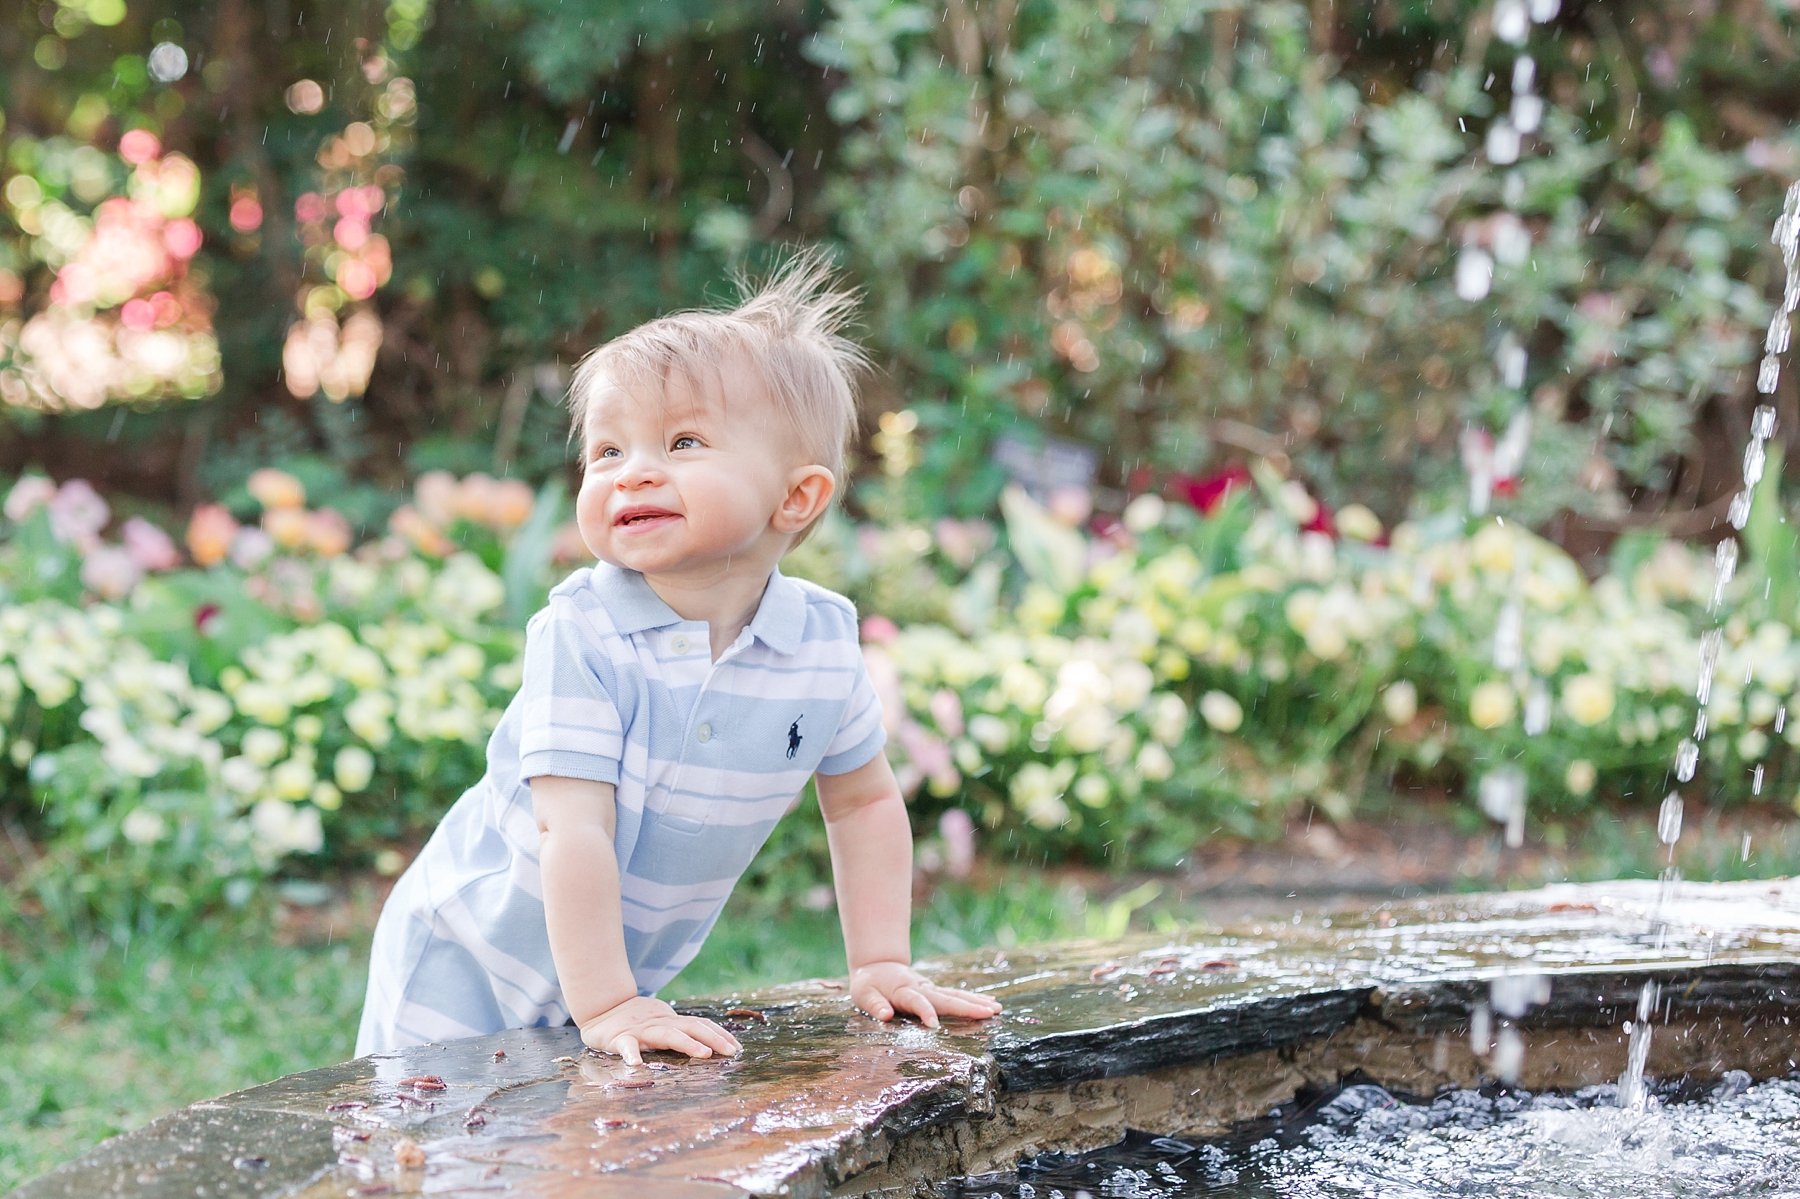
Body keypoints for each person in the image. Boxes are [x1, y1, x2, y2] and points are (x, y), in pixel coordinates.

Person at [356, 255, 1002, 1061]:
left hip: (612, 977)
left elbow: (864, 803)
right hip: (469, 963)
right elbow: (572, 827)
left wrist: (880, 960)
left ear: (796, 497)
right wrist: (611, 1003)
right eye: (607, 452)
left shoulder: (822, 643)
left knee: (577, 1158)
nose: (633, 473)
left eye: (682, 440)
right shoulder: (586, 633)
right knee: (441, 1155)